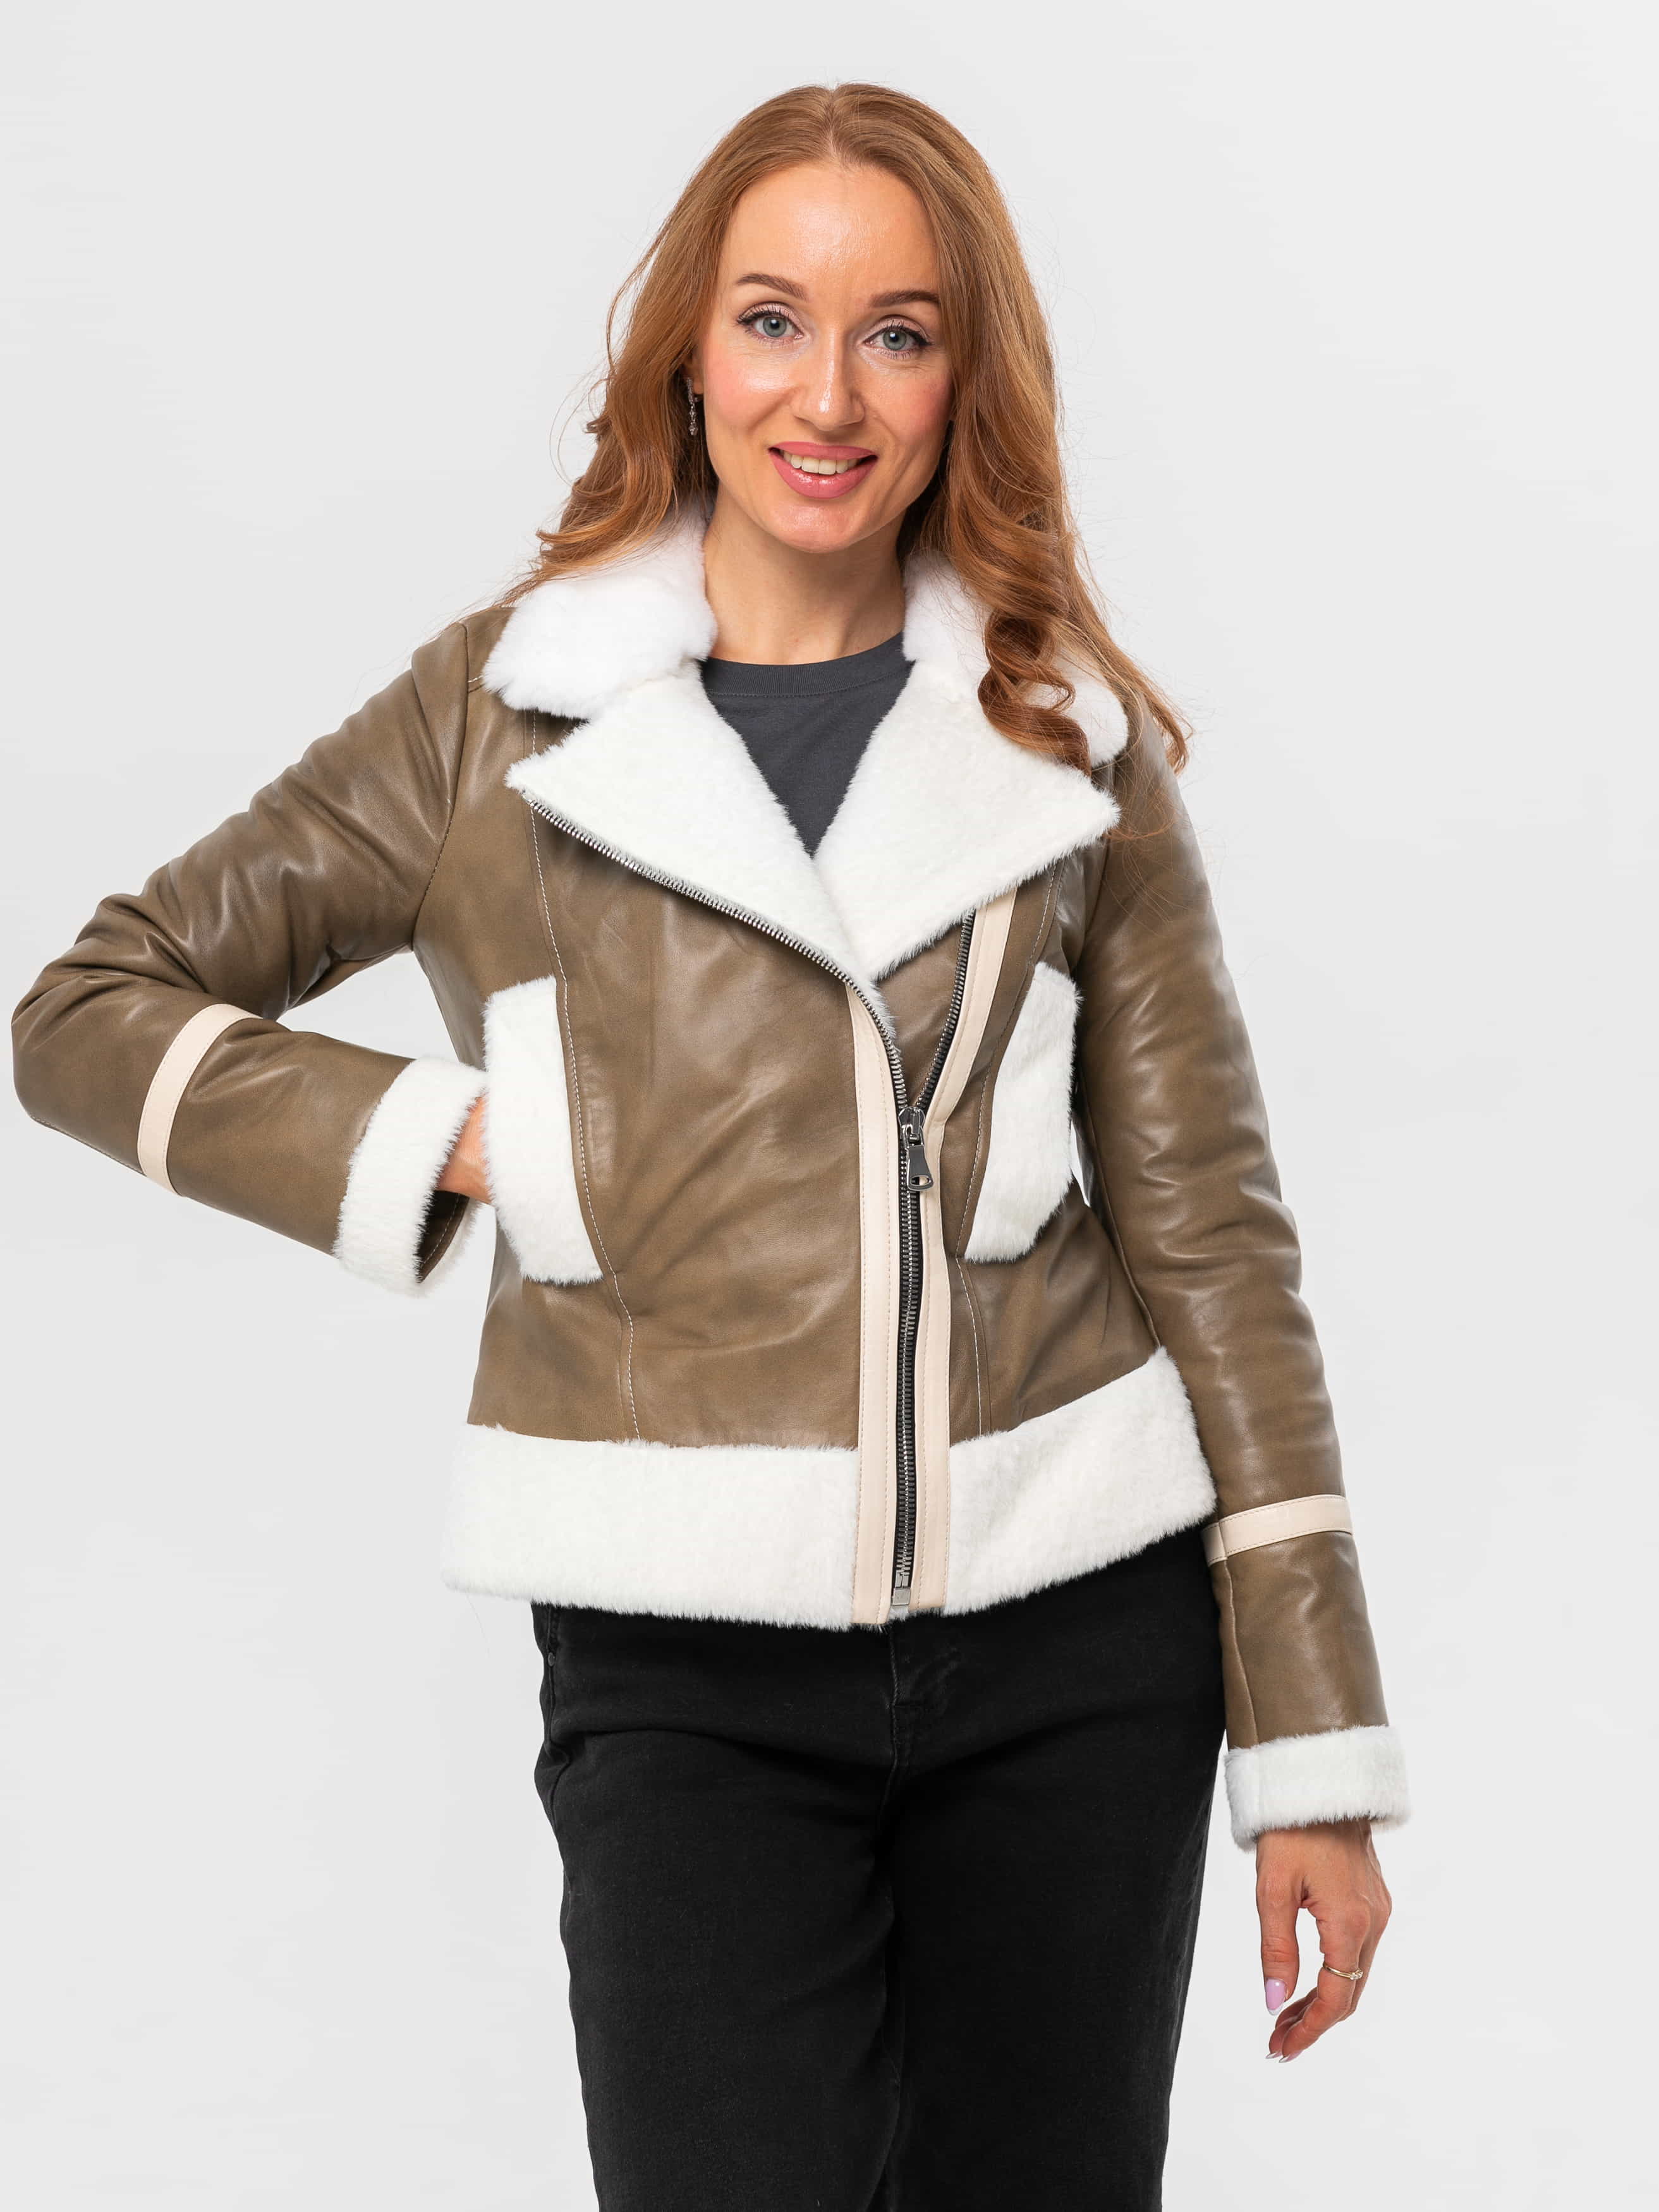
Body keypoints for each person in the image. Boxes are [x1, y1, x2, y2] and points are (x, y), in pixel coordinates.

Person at [12, 80, 1407, 2211]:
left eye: (895, 333)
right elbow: (87, 1007)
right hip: (682, 1672)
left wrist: (1309, 1745)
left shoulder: (1065, 739)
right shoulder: (499, 714)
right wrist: (462, 1139)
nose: (823, 396)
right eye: (770, 320)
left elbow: (1211, 1239)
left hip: (1078, 1643)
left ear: (961, 381)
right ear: (688, 352)